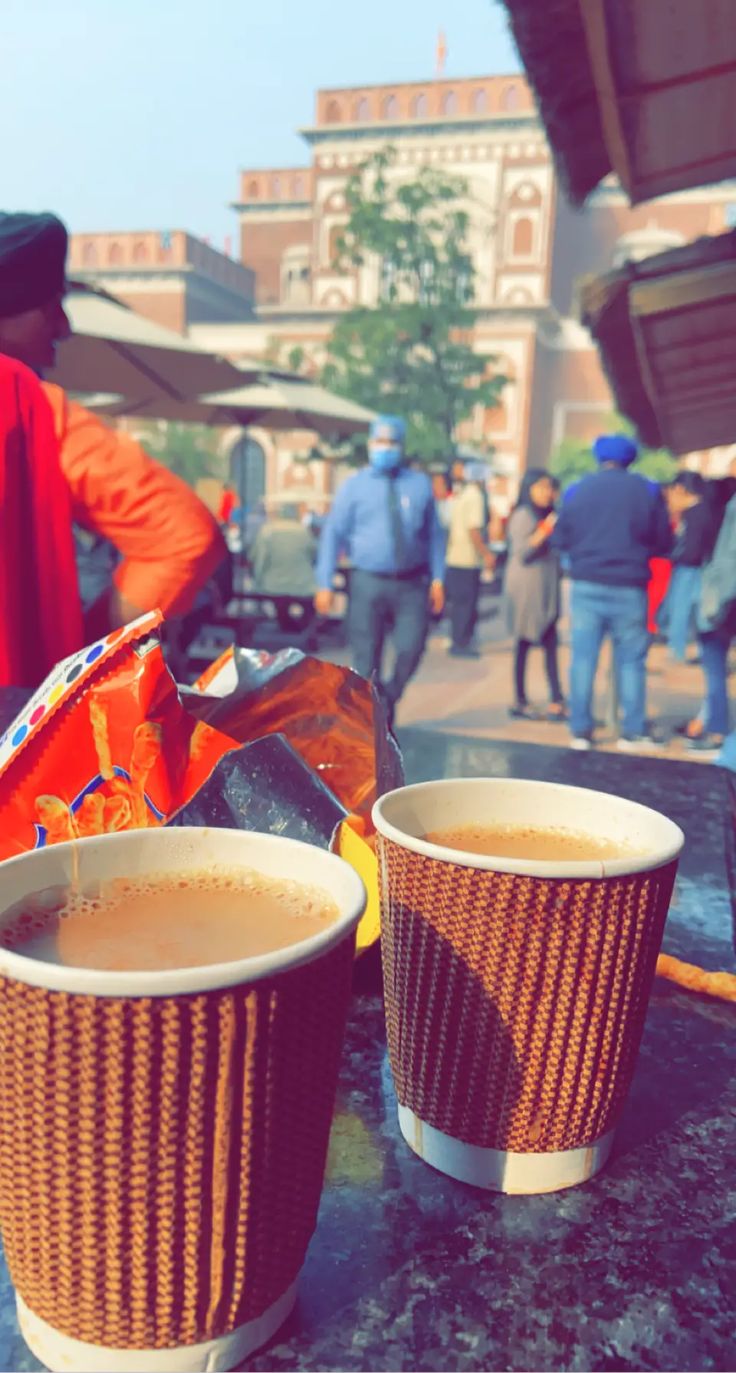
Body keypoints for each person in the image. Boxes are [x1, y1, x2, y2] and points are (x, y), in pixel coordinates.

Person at [0, 210, 227, 654]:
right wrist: (83, 654)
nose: (63, 327)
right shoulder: (26, 407)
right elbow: (184, 538)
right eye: (49, 308)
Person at [314, 415, 444, 718]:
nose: (385, 448)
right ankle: (375, 721)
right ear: (371, 444)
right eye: (379, 441)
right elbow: (333, 534)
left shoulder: (419, 484)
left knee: (411, 648)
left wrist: (439, 578)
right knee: (365, 658)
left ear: (401, 446)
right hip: (366, 582)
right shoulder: (353, 487)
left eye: (391, 442)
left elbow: (435, 536)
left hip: (412, 583)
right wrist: (324, 581)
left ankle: (388, 697)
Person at [553, 434, 672, 752]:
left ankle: (580, 731)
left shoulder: (577, 489)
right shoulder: (647, 489)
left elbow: (560, 537)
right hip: (630, 588)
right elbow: (663, 540)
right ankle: (630, 732)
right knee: (631, 662)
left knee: (582, 660)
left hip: (586, 585)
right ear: (631, 459)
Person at [504, 468, 565, 720]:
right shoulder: (523, 515)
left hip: (545, 589)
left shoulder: (549, 514)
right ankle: (520, 699)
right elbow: (523, 552)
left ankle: (557, 698)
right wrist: (546, 530)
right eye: (540, 487)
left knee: (550, 643)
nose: (546, 493)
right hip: (526, 590)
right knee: (524, 642)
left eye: (549, 488)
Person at [686, 490, 736, 754]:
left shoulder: (730, 506)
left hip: (724, 601)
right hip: (726, 598)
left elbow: (730, 559)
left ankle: (715, 729)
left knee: (714, 667)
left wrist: (714, 604)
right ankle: (707, 721)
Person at [443, 458, 495, 658]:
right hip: (467, 560)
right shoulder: (474, 496)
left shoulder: (462, 495)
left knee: (459, 605)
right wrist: (486, 553)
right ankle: (461, 644)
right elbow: (474, 530)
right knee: (466, 605)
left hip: (454, 557)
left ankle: (458, 641)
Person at [664, 471, 713, 662]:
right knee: (698, 613)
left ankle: (677, 651)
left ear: (680, 489)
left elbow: (692, 547)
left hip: (689, 568)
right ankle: (703, 651)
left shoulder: (694, 514)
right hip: (701, 568)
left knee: (680, 611)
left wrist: (676, 557)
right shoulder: (707, 510)